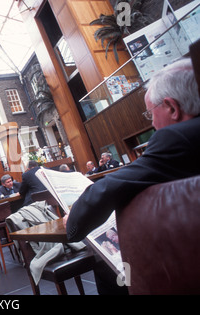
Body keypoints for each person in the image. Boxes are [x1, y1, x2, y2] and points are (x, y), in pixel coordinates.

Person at [64, 57, 200, 293]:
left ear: (171, 108)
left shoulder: (178, 138)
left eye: (150, 114)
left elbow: (108, 188)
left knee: (106, 270)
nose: (154, 124)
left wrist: (72, 221)